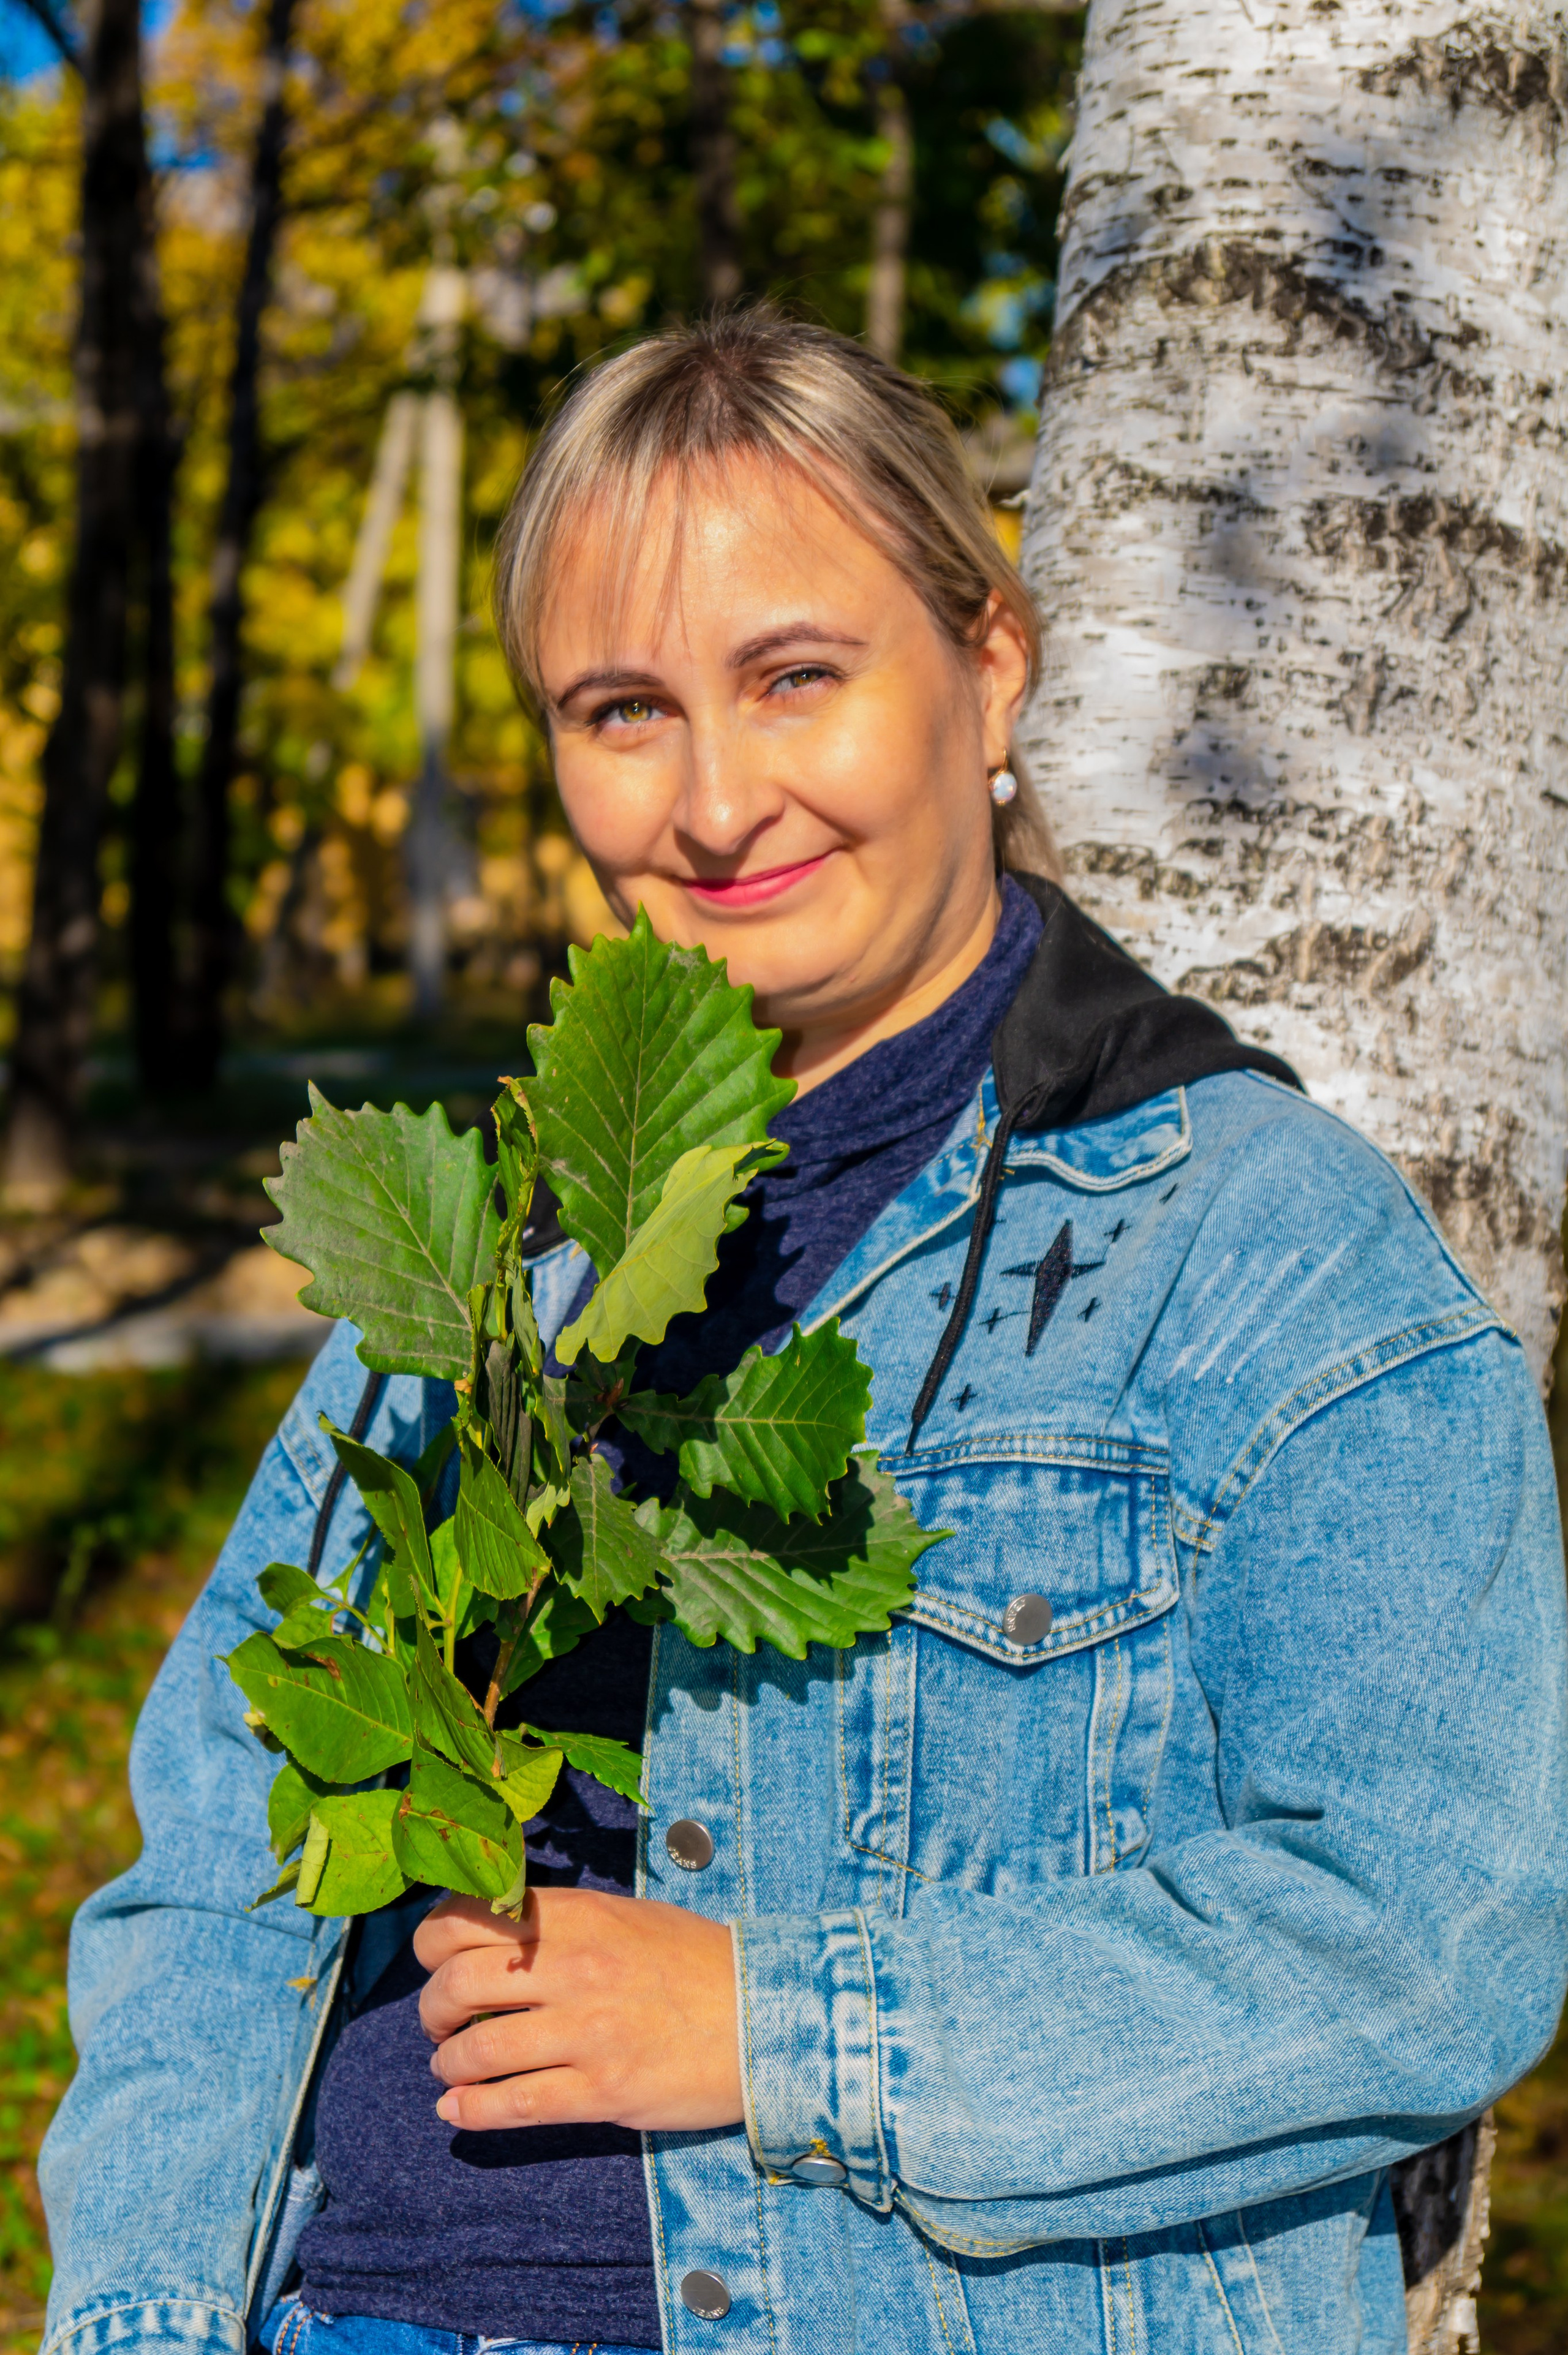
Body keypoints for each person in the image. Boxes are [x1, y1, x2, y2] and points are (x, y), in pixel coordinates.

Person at [39, 308, 1568, 2355]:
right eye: (624, 709)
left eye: (794, 679)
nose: (716, 801)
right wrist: (140, 2320)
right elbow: (217, 1866)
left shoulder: (1262, 1255)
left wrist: (774, 2028)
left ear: (990, 661)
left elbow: (1431, 1933)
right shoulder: (494, 1262)